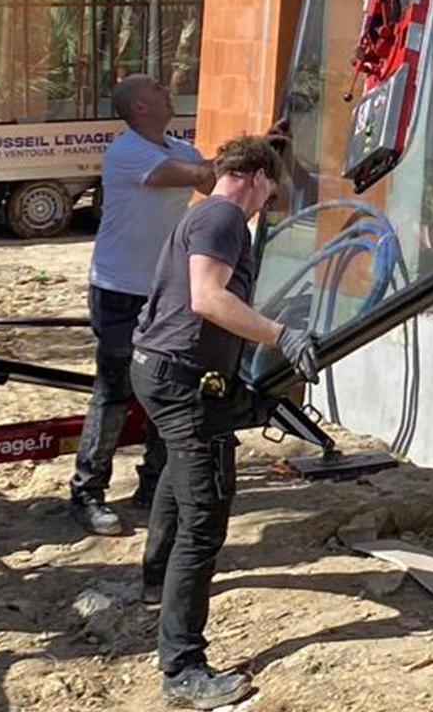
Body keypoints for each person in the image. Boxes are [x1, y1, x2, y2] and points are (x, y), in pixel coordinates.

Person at [129, 133, 324, 709]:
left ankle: (150, 584)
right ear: (256, 177)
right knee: (204, 520)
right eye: (270, 189)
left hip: (162, 370)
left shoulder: (205, 214)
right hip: (183, 385)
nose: (268, 201)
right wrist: (281, 334)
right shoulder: (223, 218)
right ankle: (182, 668)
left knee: (174, 483)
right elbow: (207, 299)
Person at [70, 74, 214, 537]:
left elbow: (211, 182)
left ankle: (153, 488)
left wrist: (258, 152)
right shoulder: (127, 152)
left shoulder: (178, 146)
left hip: (162, 291)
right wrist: (248, 156)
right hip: (118, 289)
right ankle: (87, 492)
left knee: (164, 389)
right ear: (138, 108)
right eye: (156, 87)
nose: (167, 89)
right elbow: (199, 177)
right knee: (114, 392)